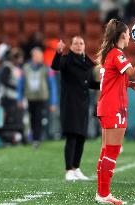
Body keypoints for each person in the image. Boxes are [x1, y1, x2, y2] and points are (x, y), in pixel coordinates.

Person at [95, 19, 135, 204]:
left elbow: (114, 79)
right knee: (112, 151)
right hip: (113, 107)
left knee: (106, 151)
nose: (130, 38)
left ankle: (102, 193)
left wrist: (128, 84)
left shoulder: (110, 54)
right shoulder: (117, 54)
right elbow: (134, 73)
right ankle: (104, 195)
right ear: (122, 36)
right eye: (128, 34)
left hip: (107, 106)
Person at [51, 36, 100, 181]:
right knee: (72, 136)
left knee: (81, 137)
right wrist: (58, 52)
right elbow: (55, 66)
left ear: (85, 46)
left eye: (81, 43)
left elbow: (91, 83)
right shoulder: (66, 60)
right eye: (76, 43)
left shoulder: (87, 63)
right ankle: (68, 170)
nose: (79, 46)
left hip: (83, 104)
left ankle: (76, 168)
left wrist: (104, 85)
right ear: (71, 46)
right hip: (70, 104)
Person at [17, 47, 57, 148]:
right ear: (33, 56)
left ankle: (37, 139)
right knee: (31, 118)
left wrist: (53, 102)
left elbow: (52, 86)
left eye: (41, 56)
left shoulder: (47, 68)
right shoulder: (25, 68)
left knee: (39, 118)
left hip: (42, 98)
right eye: (38, 56)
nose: (40, 58)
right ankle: (34, 138)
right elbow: (20, 84)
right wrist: (19, 98)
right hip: (30, 98)